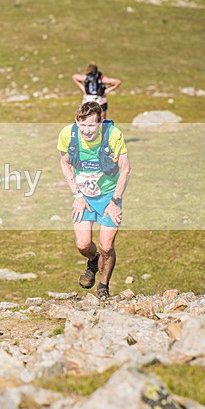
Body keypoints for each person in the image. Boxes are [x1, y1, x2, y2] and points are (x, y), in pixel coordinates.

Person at [57, 101, 131, 299]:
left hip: (109, 196)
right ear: (76, 122)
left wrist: (115, 202)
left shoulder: (113, 135)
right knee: (83, 245)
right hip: (84, 196)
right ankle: (93, 260)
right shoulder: (68, 134)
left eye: (91, 125)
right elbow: (64, 163)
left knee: (106, 246)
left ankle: (103, 286)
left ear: (100, 122)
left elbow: (125, 169)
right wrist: (77, 195)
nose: (86, 130)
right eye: (82, 125)